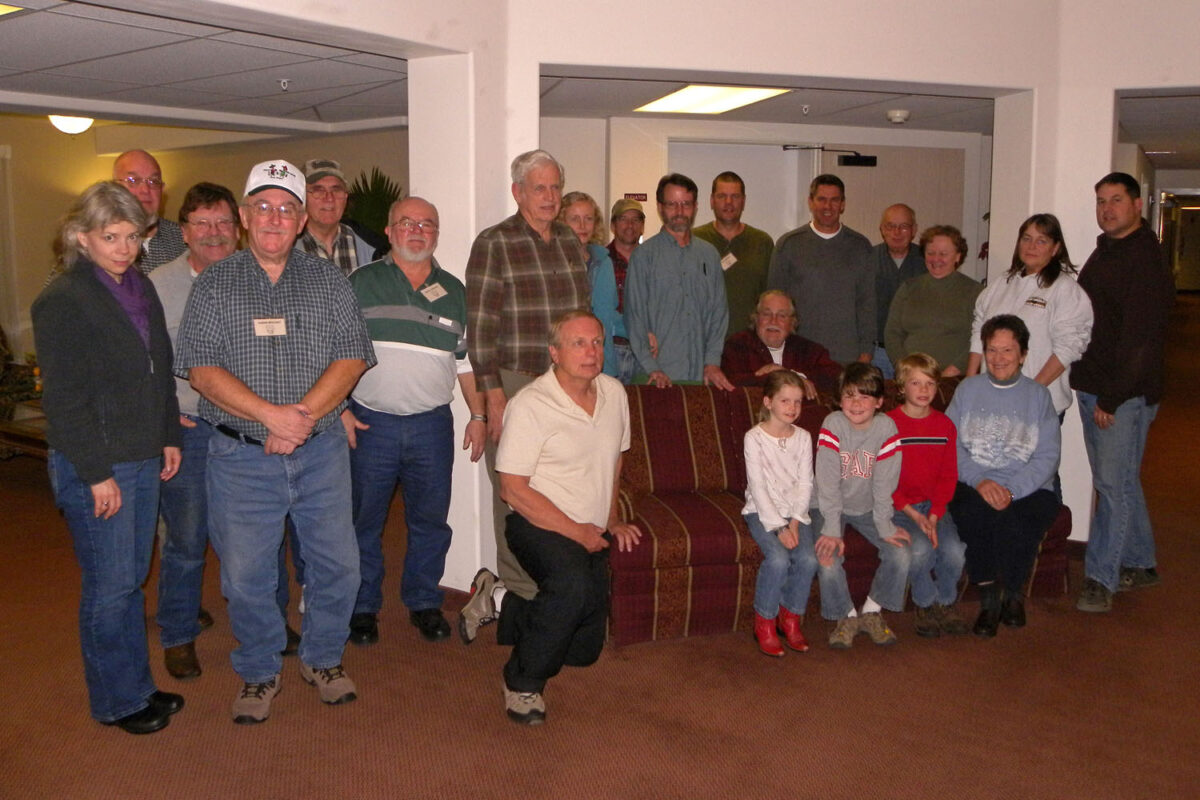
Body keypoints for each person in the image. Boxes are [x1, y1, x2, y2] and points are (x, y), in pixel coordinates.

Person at [175, 159, 376, 724]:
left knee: (338, 564)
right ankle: (260, 670)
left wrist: (304, 418)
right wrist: (271, 417)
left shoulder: (328, 280)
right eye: (262, 207)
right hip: (239, 457)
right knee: (246, 574)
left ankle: (323, 658)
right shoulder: (215, 283)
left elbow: (353, 355)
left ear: (302, 217)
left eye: (287, 208)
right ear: (243, 217)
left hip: (319, 452)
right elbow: (200, 369)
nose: (274, 218)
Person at [32, 181, 183, 734]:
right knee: (110, 586)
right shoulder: (63, 300)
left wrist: (169, 433)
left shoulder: (137, 286)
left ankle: (137, 687)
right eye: (110, 237)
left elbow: (158, 369)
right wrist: (95, 475)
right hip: (97, 463)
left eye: (132, 237)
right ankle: (116, 701)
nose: (124, 248)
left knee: (130, 578)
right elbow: (64, 402)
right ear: (81, 237)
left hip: (142, 453)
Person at [457, 311, 641, 725]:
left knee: (582, 651)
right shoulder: (532, 405)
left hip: (590, 529)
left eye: (597, 342)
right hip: (536, 522)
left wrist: (610, 521)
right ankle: (521, 682)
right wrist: (577, 532)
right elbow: (512, 490)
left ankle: (499, 598)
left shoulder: (614, 393)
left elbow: (615, 461)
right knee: (570, 588)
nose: (591, 352)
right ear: (554, 353)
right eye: (578, 343)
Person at [341, 196, 487, 646]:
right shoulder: (360, 282)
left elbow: (464, 363)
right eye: (407, 223)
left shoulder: (455, 290)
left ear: (436, 234)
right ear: (389, 231)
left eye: (428, 224)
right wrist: (339, 407)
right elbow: (334, 351)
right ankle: (363, 607)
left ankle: (424, 601)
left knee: (430, 521)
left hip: (431, 426)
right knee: (364, 521)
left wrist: (478, 414)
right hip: (371, 422)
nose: (418, 231)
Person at [466, 149, 589, 603]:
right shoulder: (494, 242)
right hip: (515, 384)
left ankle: (557, 579)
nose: (550, 196)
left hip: (565, 385)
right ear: (518, 192)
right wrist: (493, 396)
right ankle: (517, 589)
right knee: (513, 491)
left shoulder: (569, 242)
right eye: (540, 187)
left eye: (555, 187)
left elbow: (582, 319)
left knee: (560, 484)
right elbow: (479, 328)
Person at [148, 182, 239, 680]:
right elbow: (145, 362)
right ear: (184, 230)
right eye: (201, 223)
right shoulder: (158, 285)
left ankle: (261, 623)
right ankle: (178, 633)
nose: (213, 233)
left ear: (237, 227)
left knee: (254, 534)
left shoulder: (257, 277)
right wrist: (164, 416)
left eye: (222, 223)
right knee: (185, 538)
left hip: (245, 428)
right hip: (189, 428)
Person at [1072, 172, 1174, 613]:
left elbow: (1141, 342)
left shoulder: (1144, 260)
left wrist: (1111, 399)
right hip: (1096, 385)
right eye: (1100, 200)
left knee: (1111, 487)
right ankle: (1140, 562)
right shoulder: (1107, 250)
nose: (1107, 208)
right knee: (1120, 481)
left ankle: (1101, 578)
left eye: (1116, 200)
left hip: (1120, 395)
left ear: (1137, 205)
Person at [947, 315, 1060, 637]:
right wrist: (980, 481)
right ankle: (990, 599)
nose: (998, 359)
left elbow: (1047, 457)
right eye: (991, 350)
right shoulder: (967, 389)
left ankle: (1011, 592)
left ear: (1023, 354)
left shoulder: (1039, 396)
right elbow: (950, 445)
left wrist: (1011, 490)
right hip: (973, 480)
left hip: (1029, 484)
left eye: (1007, 350)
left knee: (1018, 518)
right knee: (975, 513)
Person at [812, 363, 908, 648]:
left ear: (879, 401)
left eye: (865, 396)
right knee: (828, 559)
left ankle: (871, 612)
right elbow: (827, 483)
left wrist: (885, 525)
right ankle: (847, 616)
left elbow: (884, 484)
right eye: (849, 395)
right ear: (839, 399)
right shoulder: (833, 424)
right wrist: (831, 528)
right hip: (828, 506)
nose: (856, 403)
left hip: (867, 507)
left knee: (901, 553)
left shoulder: (886, 427)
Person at [967, 213, 1093, 417]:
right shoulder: (1003, 282)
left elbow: (1069, 348)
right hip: (991, 399)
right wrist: (971, 379)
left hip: (1037, 405)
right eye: (1026, 238)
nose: (1031, 246)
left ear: (1055, 248)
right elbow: (979, 328)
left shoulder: (1064, 289)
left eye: (1041, 240)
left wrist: (1029, 392)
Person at [624, 172, 734, 389]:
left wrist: (712, 362)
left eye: (686, 204)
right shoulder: (644, 256)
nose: (680, 211)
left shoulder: (708, 254)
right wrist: (651, 367)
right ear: (660, 207)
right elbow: (634, 317)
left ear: (695, 206)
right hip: (656, 377)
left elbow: (719, 314)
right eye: (672, 204)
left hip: (701, 376)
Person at [886, 353, 968, 637]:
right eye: (915, 383)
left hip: (935, 508)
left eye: (930, 384)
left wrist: (934, 515)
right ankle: (924, 602)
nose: (923, 390)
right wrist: (913, 513)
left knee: (955, 551)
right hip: (901, 508)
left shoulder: (945, 426)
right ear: (901, 387)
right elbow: (883, 481)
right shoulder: (888, 425)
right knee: (919, 549)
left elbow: (948, 476)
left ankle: (944, 603)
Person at [742, 370, 815, 656]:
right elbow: (758, 488)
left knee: (808, 559)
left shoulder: (804, 437)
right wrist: (779, 528)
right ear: (768, 402)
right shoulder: (755, 438)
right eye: (785, 401)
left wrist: (795, 522)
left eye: (797, 402)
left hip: (794, 514)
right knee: (778, 559)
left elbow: (806, 482)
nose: (792, 408)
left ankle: (791, 618)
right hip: (761, 512)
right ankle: (765, 621)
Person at [768, 174, 874, 364]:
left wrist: (866, 351)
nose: (828, 206)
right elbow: (774, 304)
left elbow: (867, 304)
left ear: (843, 204)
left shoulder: (860, 246)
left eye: (834, 200)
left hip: (847, 356)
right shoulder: (788, 244)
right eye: (821, 199)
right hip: (799, 353)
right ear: (811, 202)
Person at [885, 225, 982, 375]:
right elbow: (892, 333)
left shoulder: (974, 291)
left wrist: (953, 371)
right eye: (931, 253)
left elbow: (980, 337)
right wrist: (905, 368)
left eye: (943, 254)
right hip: (910, 378)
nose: (936, 259)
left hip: (953, 378)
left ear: (958, 256)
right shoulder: (908, 287)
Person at [559, 191, 634, 383]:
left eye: (588, 219)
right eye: (575, 219)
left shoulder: (603, 260)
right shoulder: (554, 261)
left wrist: (641, 334)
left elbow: (609, 316)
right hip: (567, 361)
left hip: (603, 360)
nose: (583, 226)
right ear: (561, 222)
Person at [692, 171, 774, 341]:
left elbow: (770, 298)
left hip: (750, 345)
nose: (728, 202)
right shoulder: (694, 240)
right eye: (722, 196)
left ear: (743, 201)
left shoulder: (762, 242)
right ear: (711, 201)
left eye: (735, 196)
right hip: (702, 342)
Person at [720, 289, 843, 397]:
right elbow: (731, 381)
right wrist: (779, 377)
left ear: (792, 322)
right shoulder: (737, 345)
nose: (773, 321)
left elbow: (837, 376)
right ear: (756, 318)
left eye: (782, 316)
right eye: (766, 314)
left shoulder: (807, 349)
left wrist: (790, 375)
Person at [869, 204, 925, 378]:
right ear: (882, 230)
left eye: (904, 227)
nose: (897, 232)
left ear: (914, 230)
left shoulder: (928, 260)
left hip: (917, 352)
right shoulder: (868, 259)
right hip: (877, 352)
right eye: (890, 226)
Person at [295, 158, 377, 275]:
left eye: (336, 190)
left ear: (345, 197)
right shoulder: (286, 248)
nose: (329, 198)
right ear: (302, 198)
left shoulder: (371, 248)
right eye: (318, 190)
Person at [112, 149, 186, 274]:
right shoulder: (98, 244)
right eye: (133, 180)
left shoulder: (183, 240)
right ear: (114, 187)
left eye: (154, 181)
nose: (145, 190)